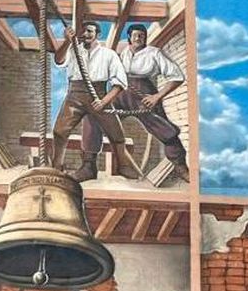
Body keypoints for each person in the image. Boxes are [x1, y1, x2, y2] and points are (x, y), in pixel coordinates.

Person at [81, 24, 190, 182]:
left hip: (143, 94)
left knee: (165, 130)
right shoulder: (123, 53)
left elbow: (177, 77)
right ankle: (88, 165)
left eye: (142, 36)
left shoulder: (154, 53)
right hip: (120, 92)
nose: (139, 38)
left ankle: (180, 167)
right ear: (129, 38)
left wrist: (156, 97)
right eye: (135, 35)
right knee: (93, 116)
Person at [51, 21, 142, 182]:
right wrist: (66, 40)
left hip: (99, 95)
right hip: (74, 95)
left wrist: (104, 101)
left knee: (116, 133)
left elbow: (119, 84)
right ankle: (56, 168)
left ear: (98, 35)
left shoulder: (109, 54)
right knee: (59, 131)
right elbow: (58, 61)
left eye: (89, 31)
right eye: (83, 31)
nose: (85, 34)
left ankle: (123, 167)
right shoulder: (73, 49)